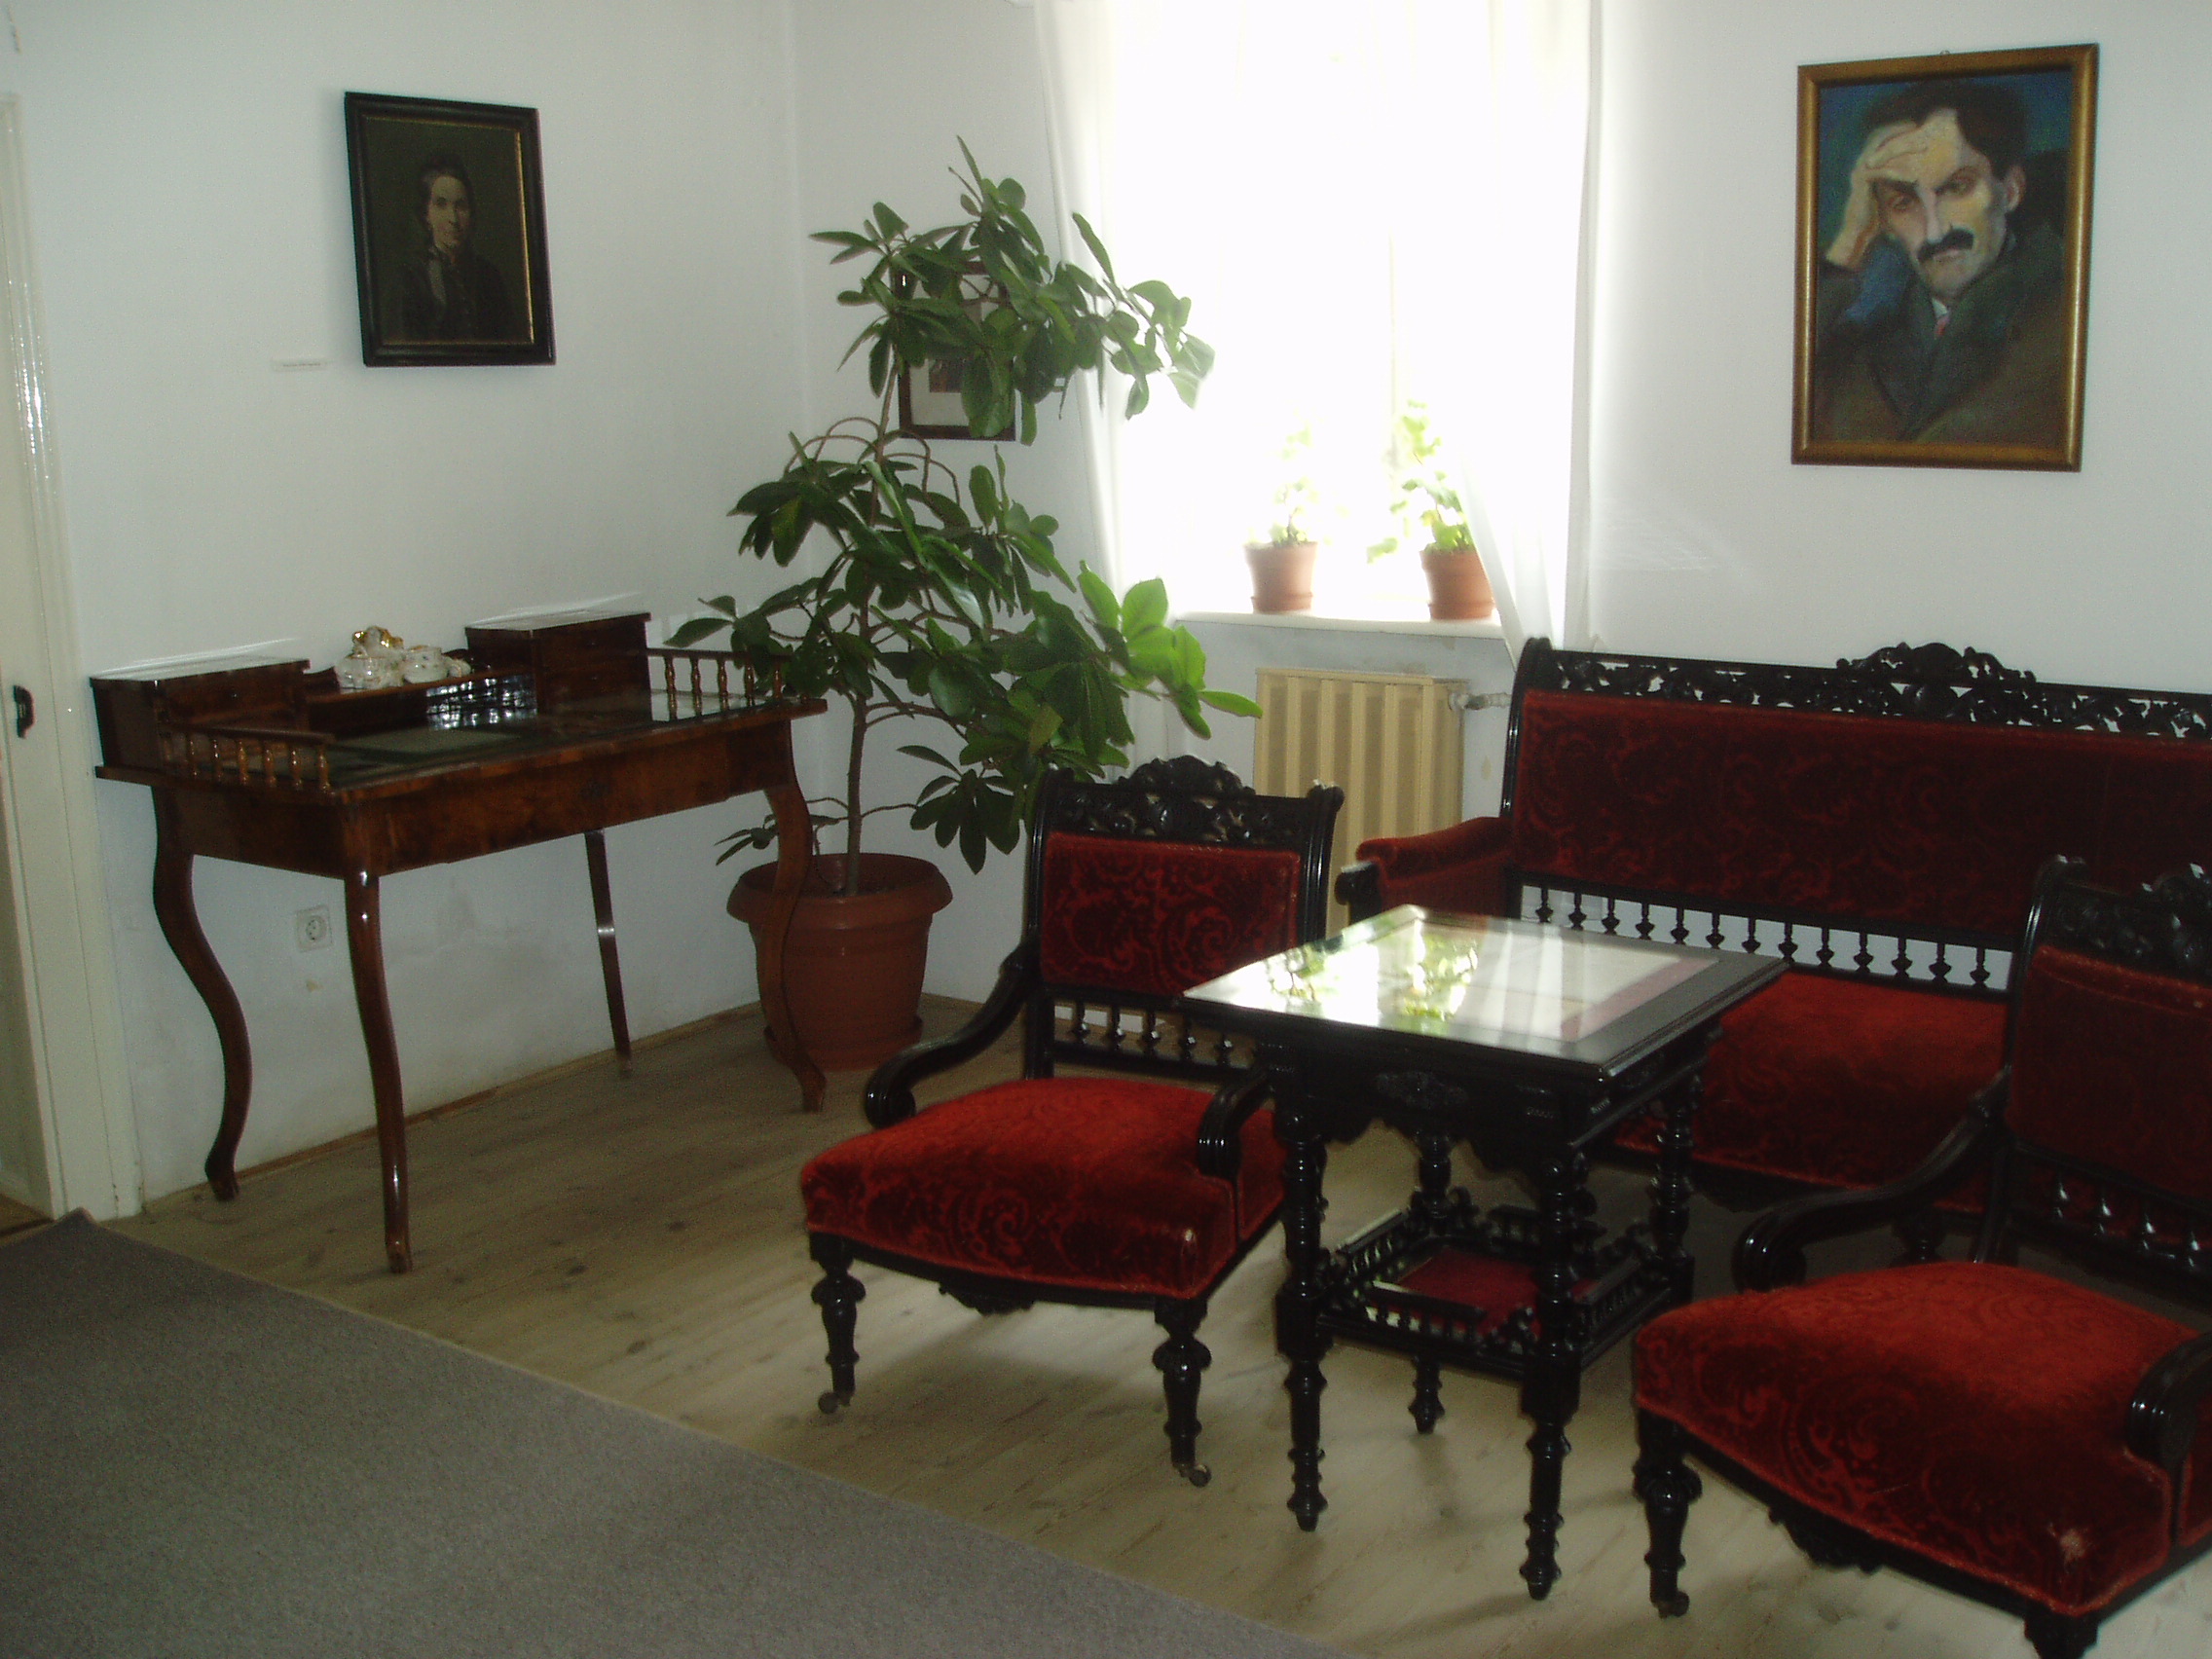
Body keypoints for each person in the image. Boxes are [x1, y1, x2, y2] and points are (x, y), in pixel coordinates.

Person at [1809, 79, 2068, 449]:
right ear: (1881, 222)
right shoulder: (1862, 338)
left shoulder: (2063, 319)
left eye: (1956, 188)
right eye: (1903, 203)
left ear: (2010, 190)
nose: (1934, 231)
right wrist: (1850, 244)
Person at [392, 153, 518, 342]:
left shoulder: (489, 277)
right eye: (441, 205)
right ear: (426, 215)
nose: (453, 218)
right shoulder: (410, 279)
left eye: (461, 206)